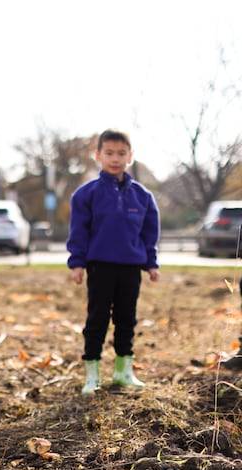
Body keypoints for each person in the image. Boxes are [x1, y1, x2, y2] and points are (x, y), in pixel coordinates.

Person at [66, 129, 160, 396]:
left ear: (130, 156)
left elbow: (149, 234)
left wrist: (151, 263)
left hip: (130, 267)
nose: (115, 158)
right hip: (100, 267)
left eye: (121, 153)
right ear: (98, 155)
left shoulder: (143, 197)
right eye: (109, 153)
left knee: (126, 318)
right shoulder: (86, 195)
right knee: (97, 318)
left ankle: (123, 370)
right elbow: (79, 232)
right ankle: (92, 373)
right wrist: (78, 263)